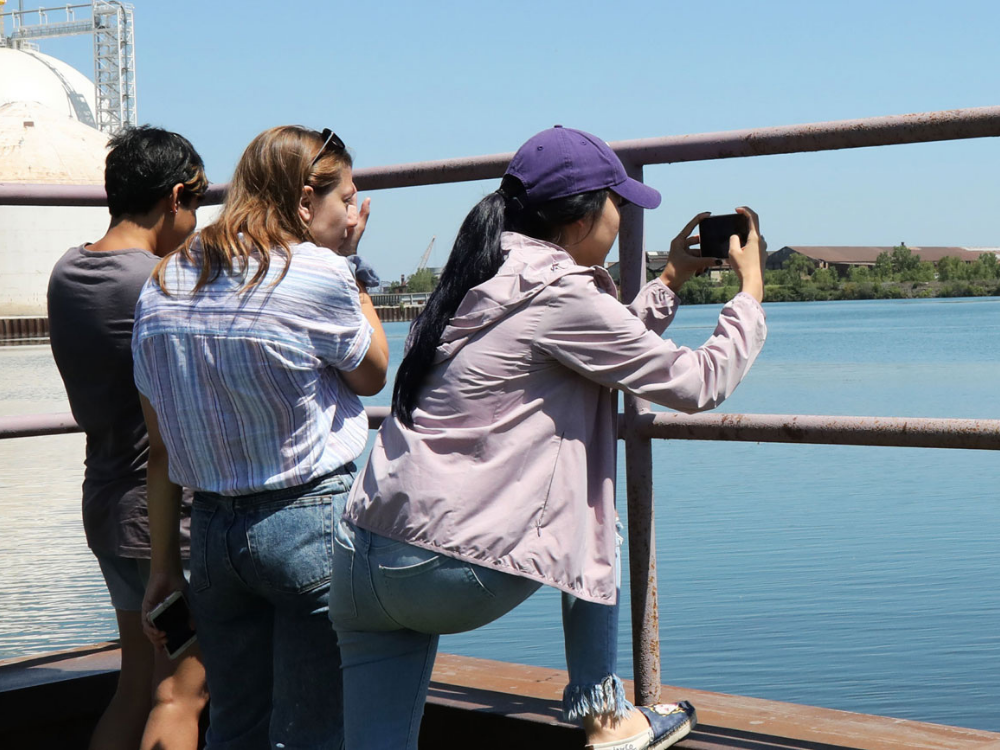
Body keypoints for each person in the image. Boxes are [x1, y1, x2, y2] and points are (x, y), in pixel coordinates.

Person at [329, 126, 769, 750]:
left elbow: (591, 348)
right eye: (618, 203)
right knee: (592, 513)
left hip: (361, 559)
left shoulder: (479, 274)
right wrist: (750, 291)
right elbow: (698, 382)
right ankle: (606, 717)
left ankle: (608, 715)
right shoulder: (559, 290)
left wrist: (669, 277)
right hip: (446, 573)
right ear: (582, 214)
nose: (621, 218)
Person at [133, 125, 389, 749]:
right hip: (307, 526)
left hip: (214, 538)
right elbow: (374, 371)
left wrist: (164, 567)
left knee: (235, 727)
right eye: (345, 200)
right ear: (305, 201)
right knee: (313, 733)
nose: (352, 213)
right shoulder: (317, 272)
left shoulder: (162, 282)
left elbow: (161, 446)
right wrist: (348, 261)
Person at [47, 125, 209, 750]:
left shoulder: (70, 270)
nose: (196, 221)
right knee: (180, 694)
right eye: (195, 205)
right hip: (166, 527)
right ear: (174, 197)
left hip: (109, 506)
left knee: (137, 684)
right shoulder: (160, 285)